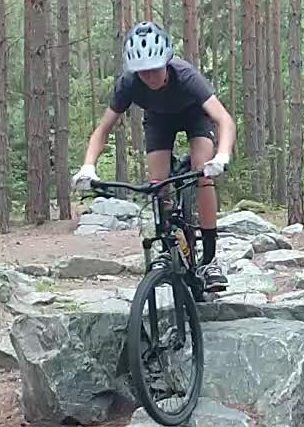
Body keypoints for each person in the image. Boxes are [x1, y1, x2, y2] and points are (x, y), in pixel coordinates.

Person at [73, 21, 237, 292]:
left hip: (195, 116)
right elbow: (102, 131)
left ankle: (210, 260)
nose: (148, 77)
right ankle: (167, 244)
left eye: (154, 69)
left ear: (167, 61)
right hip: (159, 121)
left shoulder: (185, 76)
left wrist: (221, 156)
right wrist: (88, 166)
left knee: (202, 172)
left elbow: (224, 120)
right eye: (142, 72)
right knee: (158, 182)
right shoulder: (128, 84)